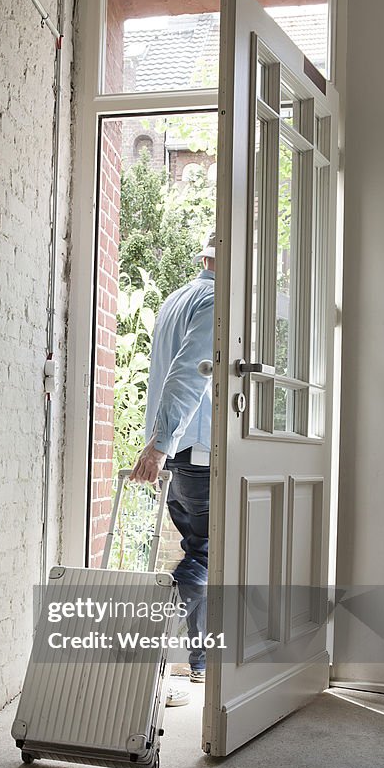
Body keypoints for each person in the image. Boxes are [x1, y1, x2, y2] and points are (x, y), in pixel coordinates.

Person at [130, 230, 215, 707]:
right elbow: (189, 373)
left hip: (178, 456)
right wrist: (161, 444)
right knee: (203, 555)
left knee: (196, 550)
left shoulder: (174, 300)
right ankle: (173, 656)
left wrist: (160, 445)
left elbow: (159, 370)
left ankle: (195, 663)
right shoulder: (214, 302)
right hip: (195, 451)